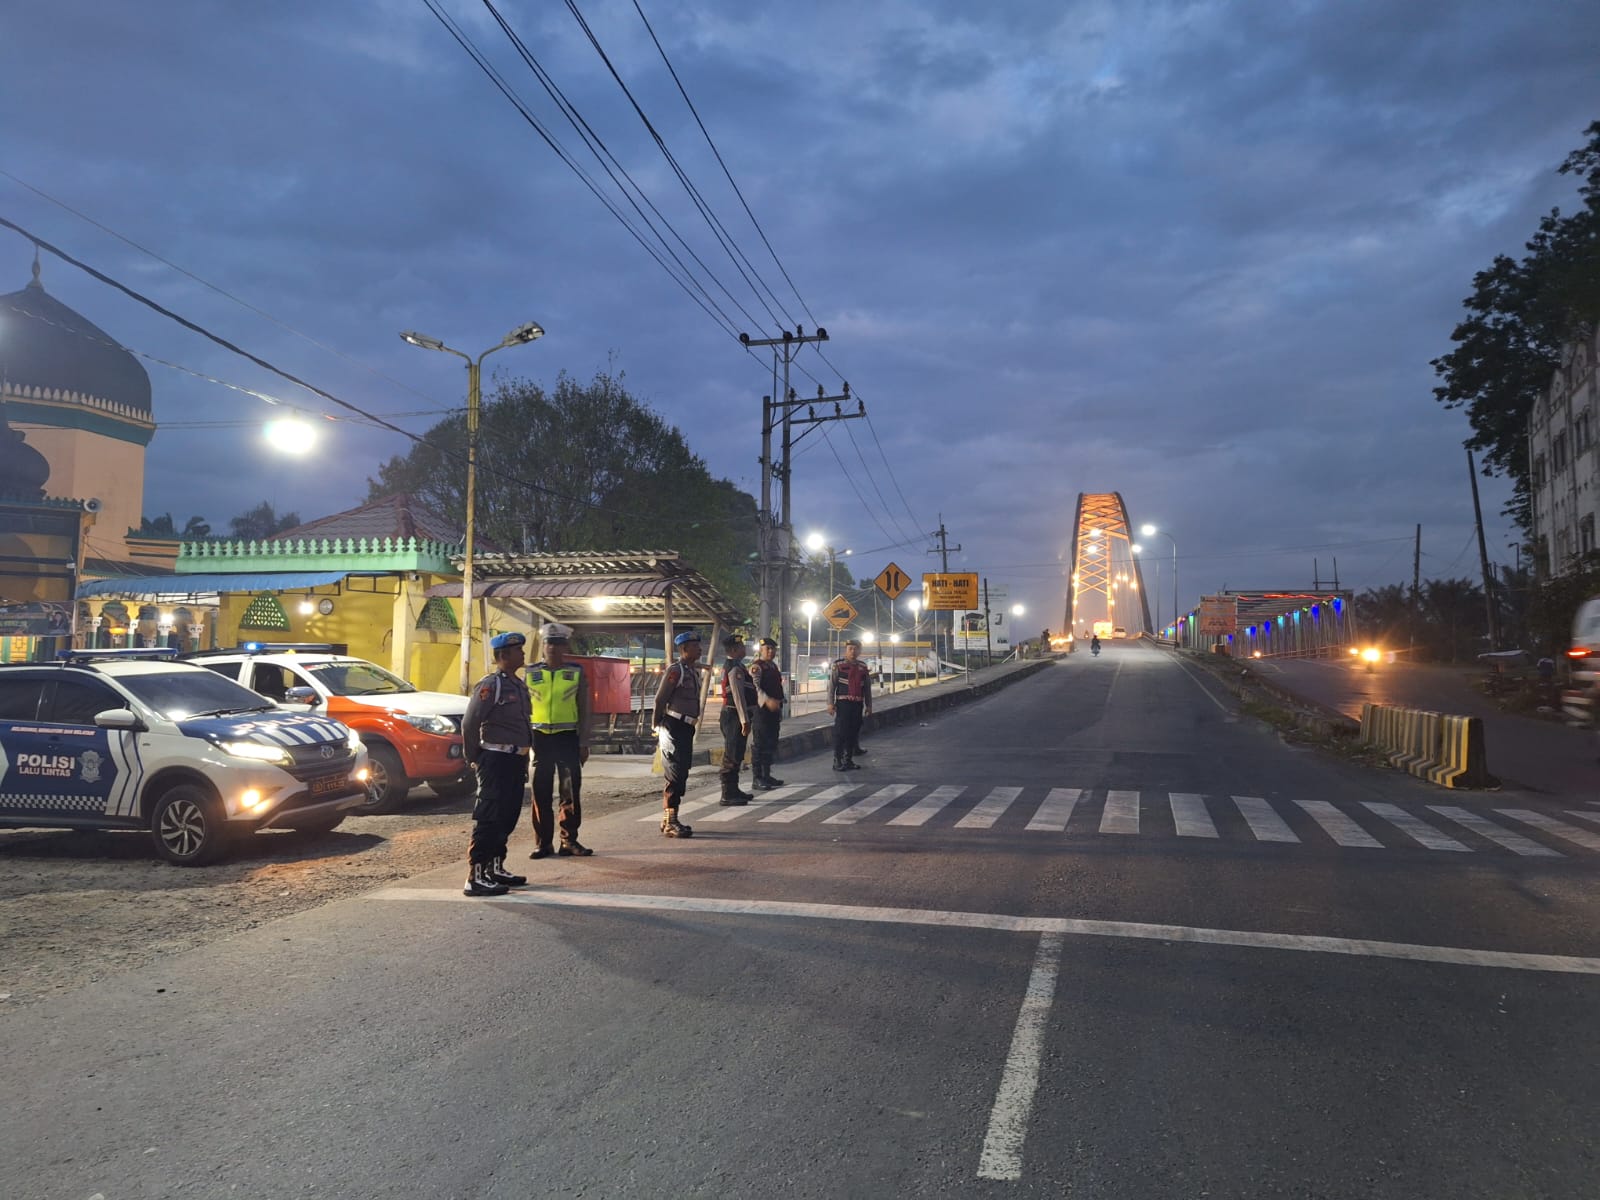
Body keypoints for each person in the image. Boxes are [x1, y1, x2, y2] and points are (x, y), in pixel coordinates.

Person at [460, 631, 532, 897]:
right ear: (504, 655)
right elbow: (470, 723)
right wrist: (474, 757)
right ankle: (475, 877)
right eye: (518, 651)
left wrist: (524, 760)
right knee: (489, 817)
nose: (523, 654)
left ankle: (495, 867)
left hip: (514, 759)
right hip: (495, 759)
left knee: (508, 816)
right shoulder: (492, 684)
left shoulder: (518, 684)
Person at [526, 622, 593, 859]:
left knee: (570, 792)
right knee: (540, 793)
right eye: (548, 643)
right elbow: (523, 710)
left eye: (557, 643)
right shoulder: (530, 673)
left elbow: (584, 710)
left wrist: (584, 742)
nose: (552, 648)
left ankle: (569, 840)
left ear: (565, 646)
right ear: (542, 646)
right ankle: (543, 843)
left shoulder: (575, 672)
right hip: (539, 739)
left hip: (567, 739)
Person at [651, 630, 703, 837]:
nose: (699, 648)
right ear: (683, 649)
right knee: (675, 773)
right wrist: (656, 725)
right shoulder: (676, 671)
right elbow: (660, 699)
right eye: (695, 646)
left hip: (685, 728)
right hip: (673, 727)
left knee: (681, 772)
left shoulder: (692, 671)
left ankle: (669, 820)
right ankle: (670, 822)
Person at [716, 634, 757, 806]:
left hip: (735, 715)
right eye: (741, 647)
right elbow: (738, 696)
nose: (744, 649)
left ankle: (734, 789)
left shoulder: (738, 666)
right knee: (732, 754)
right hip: (734, 716)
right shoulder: (734, 668)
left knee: (737, 752)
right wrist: (744, 720)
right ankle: (727, 793)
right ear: (734, 650)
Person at [828, 638, 873, 771]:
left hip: (857, 704)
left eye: (855, 649)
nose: (853, 651)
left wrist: (868, 705)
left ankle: (848, 760)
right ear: (846, 650)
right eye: (850, 649)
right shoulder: (838, 665)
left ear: (860, 651)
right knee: (841, 732)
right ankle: (837, 760)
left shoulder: (862, 667)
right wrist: (830, 703)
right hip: (843, 704)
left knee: (853, 732)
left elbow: (867, 689)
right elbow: (831, 686)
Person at [750, 636, 786, 790]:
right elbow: (755, 688)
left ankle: (766, 774)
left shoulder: (773, 667)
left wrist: (780, 702)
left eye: (773, 649)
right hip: (762, 711)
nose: (770, 651)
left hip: (774, 711)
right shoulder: (757, 667)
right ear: (761, 650)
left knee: (771, 742)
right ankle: (757, 778)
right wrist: (767, 700)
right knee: (760, 744)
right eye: (767, 649)